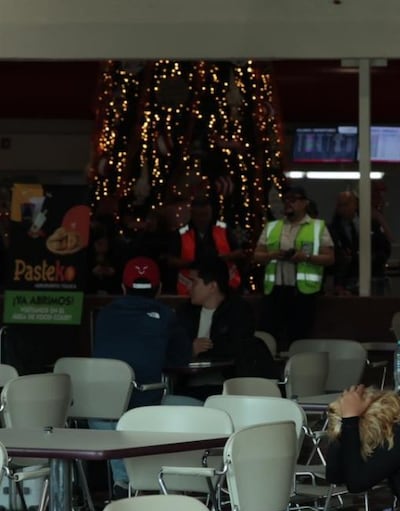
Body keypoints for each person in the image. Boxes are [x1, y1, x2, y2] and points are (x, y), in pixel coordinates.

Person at [92, 256, 192, 495]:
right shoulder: (166, 316)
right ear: (158, 289)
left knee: (116, 419)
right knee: (203, 409)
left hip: (97, 414)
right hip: (144, 411)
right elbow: (180, 360)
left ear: (124, 288)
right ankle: (168, 486)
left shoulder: (104, 315)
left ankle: (124, 482)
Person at [253, 186, 335, 351]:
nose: (288, 204)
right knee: (268, 336)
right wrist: (273, 255)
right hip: (275, 291)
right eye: (286, 200)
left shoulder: (317, 227)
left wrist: (305, 257)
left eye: (293, 200)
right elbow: (257, 256)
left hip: (302, 294)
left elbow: (330, 258)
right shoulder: (273, 227)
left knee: (299, 338)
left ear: (304, 203)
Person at [174, 257, 268, 400]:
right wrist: (190, 349)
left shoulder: (238, 311)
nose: (188, 287)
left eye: (194, 282)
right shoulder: (185, 312)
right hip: (186, 387)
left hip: (228, 388)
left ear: (212, 286)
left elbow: (238, 347)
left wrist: (203, 350)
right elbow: (171, 345)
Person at [169, 198, 243, 296]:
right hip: (191, 288)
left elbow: (239, 252)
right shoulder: (181, 233)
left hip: (225, 285)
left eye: (206, 215)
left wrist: (225, 258)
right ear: (192, 214)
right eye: (199, 215)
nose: (203, 219)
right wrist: (190, 263)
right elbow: (171, 260)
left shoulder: (223, 229)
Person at [328, 188, 392, 295]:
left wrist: (373, 258)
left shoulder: (371, 223)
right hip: (347, 279)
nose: (343, 208)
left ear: (356, 205)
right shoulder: (333, 228)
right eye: (340, 205)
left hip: (373, 276)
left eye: (347, 204)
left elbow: (385, 248)